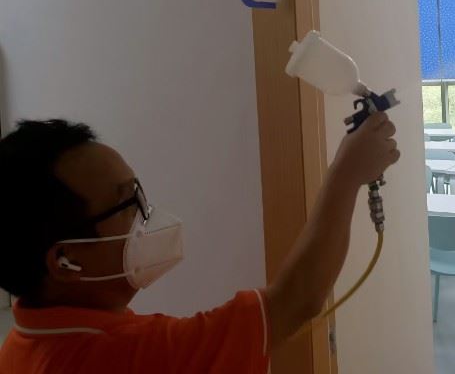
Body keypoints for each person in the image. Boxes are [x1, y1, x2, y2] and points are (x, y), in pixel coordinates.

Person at [0, 115, 399, 373]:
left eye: (141, 195)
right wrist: (347, 174)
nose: (146, 215)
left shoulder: (26, 343)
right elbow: (295, 301)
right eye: (128, 204)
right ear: (66, 260)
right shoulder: (115, 357)